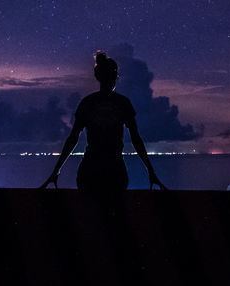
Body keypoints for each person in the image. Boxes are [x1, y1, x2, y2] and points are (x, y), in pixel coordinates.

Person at [40, 51, 166, 193]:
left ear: (98, 77)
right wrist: (151, 171)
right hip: (115, 171)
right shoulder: (122, 103)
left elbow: (72, 139)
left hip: (89, 170)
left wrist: (56, 170)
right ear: (114, 78)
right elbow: (136, 139)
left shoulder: (87, 103)